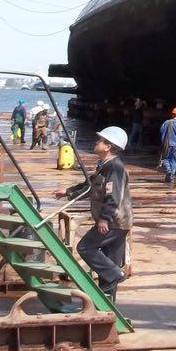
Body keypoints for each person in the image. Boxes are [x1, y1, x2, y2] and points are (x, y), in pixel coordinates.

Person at [55, 125, 132, 302]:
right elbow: (90, 186)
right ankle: (107, 307)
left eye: (100, 140)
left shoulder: (115, 168)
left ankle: (116, 275)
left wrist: (104, 219)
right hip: (114, 221)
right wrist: (67, 192)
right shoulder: (104, 166)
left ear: (108, 146)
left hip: (115, 222)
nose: (96, 142)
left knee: (85, 247)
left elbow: (113, 196)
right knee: (109, 265)